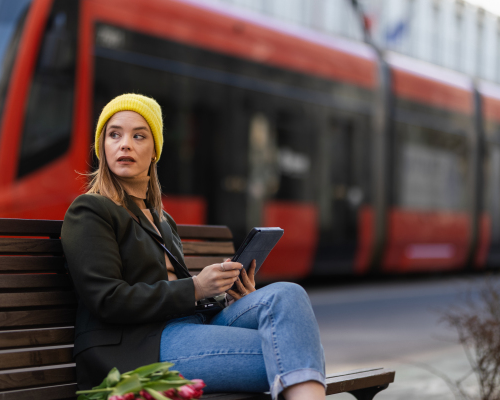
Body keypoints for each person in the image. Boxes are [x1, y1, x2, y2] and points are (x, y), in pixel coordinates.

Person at [61, 94, 326, 400]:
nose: (125, 144)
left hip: (184, 329)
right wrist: (196, 287)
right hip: (133, 351)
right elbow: (107, 300)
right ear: (102, 146)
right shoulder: (90, 210)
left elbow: (178, 295)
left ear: (154, 150)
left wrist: (229, 297)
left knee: (288, 295)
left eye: (139, 136)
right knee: (295, 349)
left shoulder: (163, 221)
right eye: (114, 134)